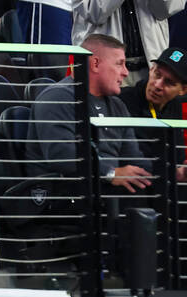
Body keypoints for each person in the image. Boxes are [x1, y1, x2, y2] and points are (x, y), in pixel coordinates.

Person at [27, 34, 153, 193]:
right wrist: (111, 173)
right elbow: (62, 156)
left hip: (105, 191)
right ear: (95, 63)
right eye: (120, 64)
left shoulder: (118, 105)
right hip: (68, 195)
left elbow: (133, 158)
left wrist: (170, 172)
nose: (126, 72)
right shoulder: (56, 97)